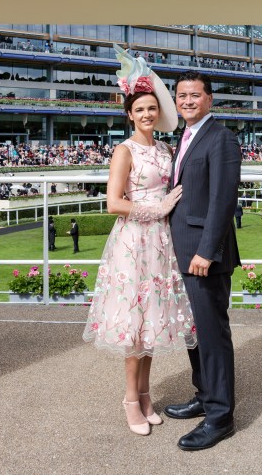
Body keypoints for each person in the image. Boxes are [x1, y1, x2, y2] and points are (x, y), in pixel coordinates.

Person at [83, 46, 194, 437]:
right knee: (134, 323)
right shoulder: (123, 150)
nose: (147, 114)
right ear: (129, 114)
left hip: (161, 243)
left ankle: (145, 394)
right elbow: (114, 203)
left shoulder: (164, 148)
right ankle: (131, 399)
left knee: (152, 323)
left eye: (152, 109)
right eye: (140, 109)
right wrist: (158, 207)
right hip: (134, 243)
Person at [166, 70, 241, 451]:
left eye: (195, 95)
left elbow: (223, 200)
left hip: (203, 255)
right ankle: (203, 393)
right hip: (183, 250)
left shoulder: (221, 138)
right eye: (182, 96)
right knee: (194, 332)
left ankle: (220, 415)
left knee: (212, 335)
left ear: (209, 99)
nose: (188, 101)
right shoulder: (186, 136)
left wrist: (206, 252)